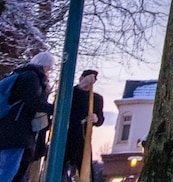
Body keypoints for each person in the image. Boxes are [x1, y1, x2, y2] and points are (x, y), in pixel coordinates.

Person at [0, 52, 54, 182]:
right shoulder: (32, 77)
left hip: (7, 126)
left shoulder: (21, 74)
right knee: (9, 169)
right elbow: (33, 103)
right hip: (17, 130)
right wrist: (55, 109)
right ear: (45, 66)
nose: (49, 71)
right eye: (50, 68)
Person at [64, 69, 105, 177]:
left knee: (86, 170)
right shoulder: (71, 93)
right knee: (62, 167)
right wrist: (80, 87)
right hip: (66, 136)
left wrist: (96, 118)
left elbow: (100, 119)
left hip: (84, 139)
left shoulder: (97, 98)